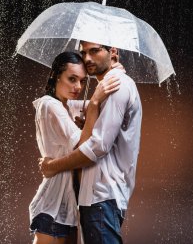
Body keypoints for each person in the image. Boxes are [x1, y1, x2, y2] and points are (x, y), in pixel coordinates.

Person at [39, 41, 142, 244]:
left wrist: (52, 166)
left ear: (113, 52)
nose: (87, 59)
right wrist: (91, 115)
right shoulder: (105, 87)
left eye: (94, 51)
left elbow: (98, 146)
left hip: (101, 195)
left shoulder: (115, 85)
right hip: (96, 196)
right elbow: (66, 106)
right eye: (83, 52)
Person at [29, 51, 121, 244]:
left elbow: (105, 104)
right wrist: (94, 103)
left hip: (66, 205)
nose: (78, 87)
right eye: (72, 79)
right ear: (55, 75)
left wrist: (112, 71)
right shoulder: (50, 105)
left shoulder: (66, 106)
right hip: (53, 204)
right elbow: (84, 146)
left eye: (82, 81)